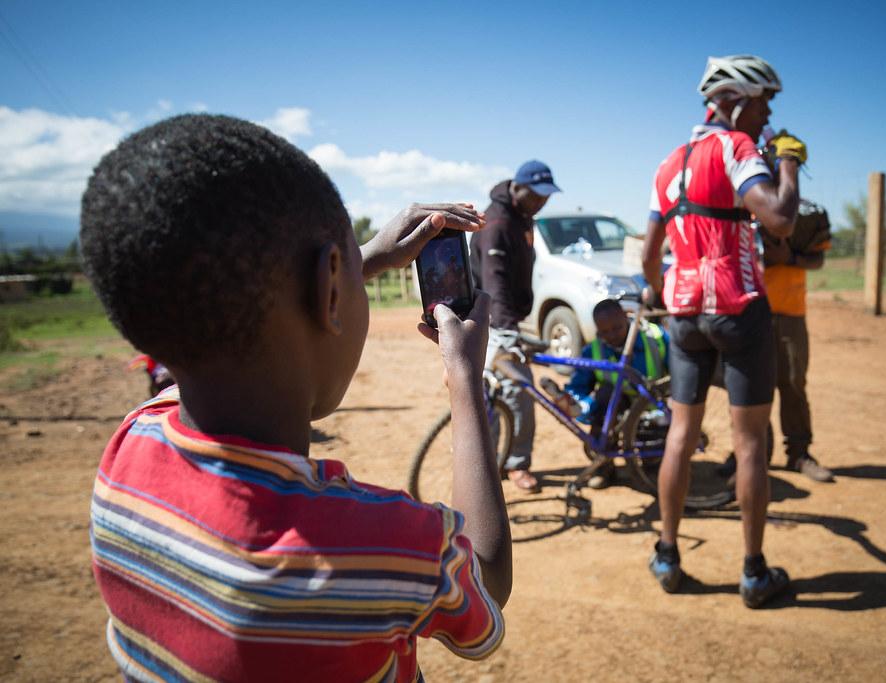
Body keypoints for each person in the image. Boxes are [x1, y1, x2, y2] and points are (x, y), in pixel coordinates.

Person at [81, 114, 511, 682]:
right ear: (331, 288)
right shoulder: (382, 544)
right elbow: (485, 583)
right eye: (355, 273)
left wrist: (359, 261)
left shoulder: (128, 448)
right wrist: (465, 379)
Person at [641, 55, 805, 607]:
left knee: (680, 437)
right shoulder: (737, 149)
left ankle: (667, 553)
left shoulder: (667, 164)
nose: (769, 114)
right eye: (764, 102)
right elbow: (780, 217)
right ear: (736, 100)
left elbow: (648, 257)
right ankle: (754, 573)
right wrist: (787, 160)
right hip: (738, 309)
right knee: (751, 443)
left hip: (684, 314)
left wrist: (664, 293)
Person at [470, 160, 561, 493]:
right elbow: (494, 281)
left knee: (504, 392)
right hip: (493, 320)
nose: (542, 201)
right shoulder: (497, 223)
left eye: (546, 196)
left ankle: (506, 462)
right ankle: (500, 466)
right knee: (513, 391)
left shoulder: (521, 217)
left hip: (504, 318)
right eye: (536, 195)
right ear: (517, 188)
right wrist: (507, 329)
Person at [761, 199, 834, 481]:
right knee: (751, 386)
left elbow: (818, 259)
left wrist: (789, 258)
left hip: (791, 312)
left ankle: (799, 454)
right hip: (752, 311)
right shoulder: (750, 210)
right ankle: (749, 453)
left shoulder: (797, 216)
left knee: (793, 382)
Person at [564, 299, 668, 487]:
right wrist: (584, 407)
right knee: (604, 396)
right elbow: (577, 389)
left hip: (652, 409)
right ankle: (604, 466)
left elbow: (678, 375)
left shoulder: (656, 339)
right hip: (616, 410)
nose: (611, 335)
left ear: (626, 318)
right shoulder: (593, 351)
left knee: (656, 444)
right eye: (604, 332)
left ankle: (654, 466)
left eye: (617, 328)